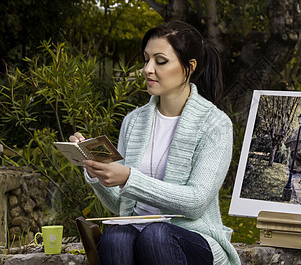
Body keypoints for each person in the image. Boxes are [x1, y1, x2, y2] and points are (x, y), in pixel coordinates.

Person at [70, 21, 240, 265]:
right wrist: (96, 171)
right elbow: (121, 204)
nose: (148, 69)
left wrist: (130, 178)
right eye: (146, 59)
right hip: (136, 234)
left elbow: (196, 202)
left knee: (155, 235)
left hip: (193, 238)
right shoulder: (133, 122)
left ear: (189, 67)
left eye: (160, 61)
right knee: (116, 237)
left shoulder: (215, 124)